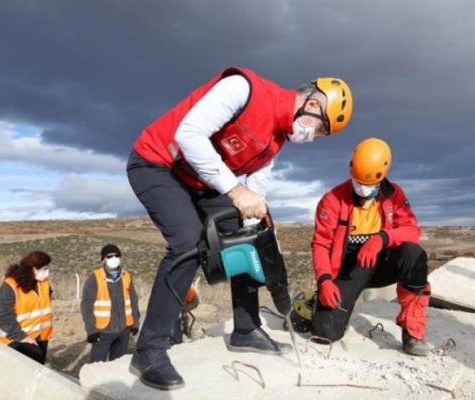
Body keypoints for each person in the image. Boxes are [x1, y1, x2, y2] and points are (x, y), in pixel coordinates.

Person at [126, 67, 353, 390]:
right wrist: (235, 192)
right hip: (157, 164)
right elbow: (188, 135)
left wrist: (262, 237)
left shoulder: (276, 142)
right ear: (313, 106)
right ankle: (149, 350)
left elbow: (254, 198)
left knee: (247, 237)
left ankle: (245, 329)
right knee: (189, 243)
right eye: (320, 131)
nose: (314, 138)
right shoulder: (243, 89)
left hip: (199, 181)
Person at [310, 138, 432, 357]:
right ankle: (311, 304)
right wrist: (325, 281)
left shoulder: (394, 195)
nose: (362, 189)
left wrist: (381, 239)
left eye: (368, 185)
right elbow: (320, 244)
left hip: (382, 265)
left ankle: (413, 333)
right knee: (325, 332)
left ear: (382, 176)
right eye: (357, 182)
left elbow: (412, 230)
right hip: (349, 271)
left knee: (414, 255)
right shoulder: (332, 200)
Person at [80, 244, 140, 363]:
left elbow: (133, 300)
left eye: (116, 255)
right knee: (97, 365)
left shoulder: (126, 276)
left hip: (124, 330)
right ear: (103, 260)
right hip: (103, 332)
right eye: (109, 256)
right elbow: (86, 305)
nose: (114, 258)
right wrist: (91, 330)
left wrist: (135, 323)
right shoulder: (94, 278)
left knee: (117, 365)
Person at [0, 251, 53, 364]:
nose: (46, 272)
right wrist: (21, 337)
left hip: (41, 336)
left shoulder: (43, 283)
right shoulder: (10, 286)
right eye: (44, 269)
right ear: (32, 268)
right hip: (15, 338)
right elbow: (4, 317)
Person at [168, 280, 199, 346]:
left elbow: (195, 302)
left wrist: (184, 308)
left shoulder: (191, 290)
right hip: (169, 314)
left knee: (181, 328)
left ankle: (183, 337)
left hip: (182, 315)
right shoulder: (170, 288)